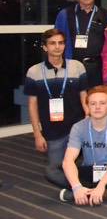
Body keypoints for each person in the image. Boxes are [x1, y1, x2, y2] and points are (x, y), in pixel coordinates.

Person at [49, 86, 107, 204]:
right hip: (89, 169)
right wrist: (76, 186)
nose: (97, 107)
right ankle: (104, 193)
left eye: (102, 103)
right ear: (88, 107)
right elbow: (68, 160)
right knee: (50, 170)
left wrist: (101, 185)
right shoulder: (78, 127)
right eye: (93, 103)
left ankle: (84, 193)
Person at [25, 29, 88, 181]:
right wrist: (37, 134)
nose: (57, 47)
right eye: (52, 43)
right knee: (56, 170)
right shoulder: (33, 72)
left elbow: (84, 96)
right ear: (45, 47)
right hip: (53, 130)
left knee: (88, 166)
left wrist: (88, 118)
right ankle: (74, 187)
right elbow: (32, 105)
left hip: (77, 125)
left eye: (60, 43)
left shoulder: (77, 67)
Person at [54, 0, 107, 87]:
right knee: (74, 101)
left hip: (97, 68)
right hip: (71, 66)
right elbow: (55, 40)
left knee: (96, 101)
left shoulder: (105, 15)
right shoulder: (65, 15)